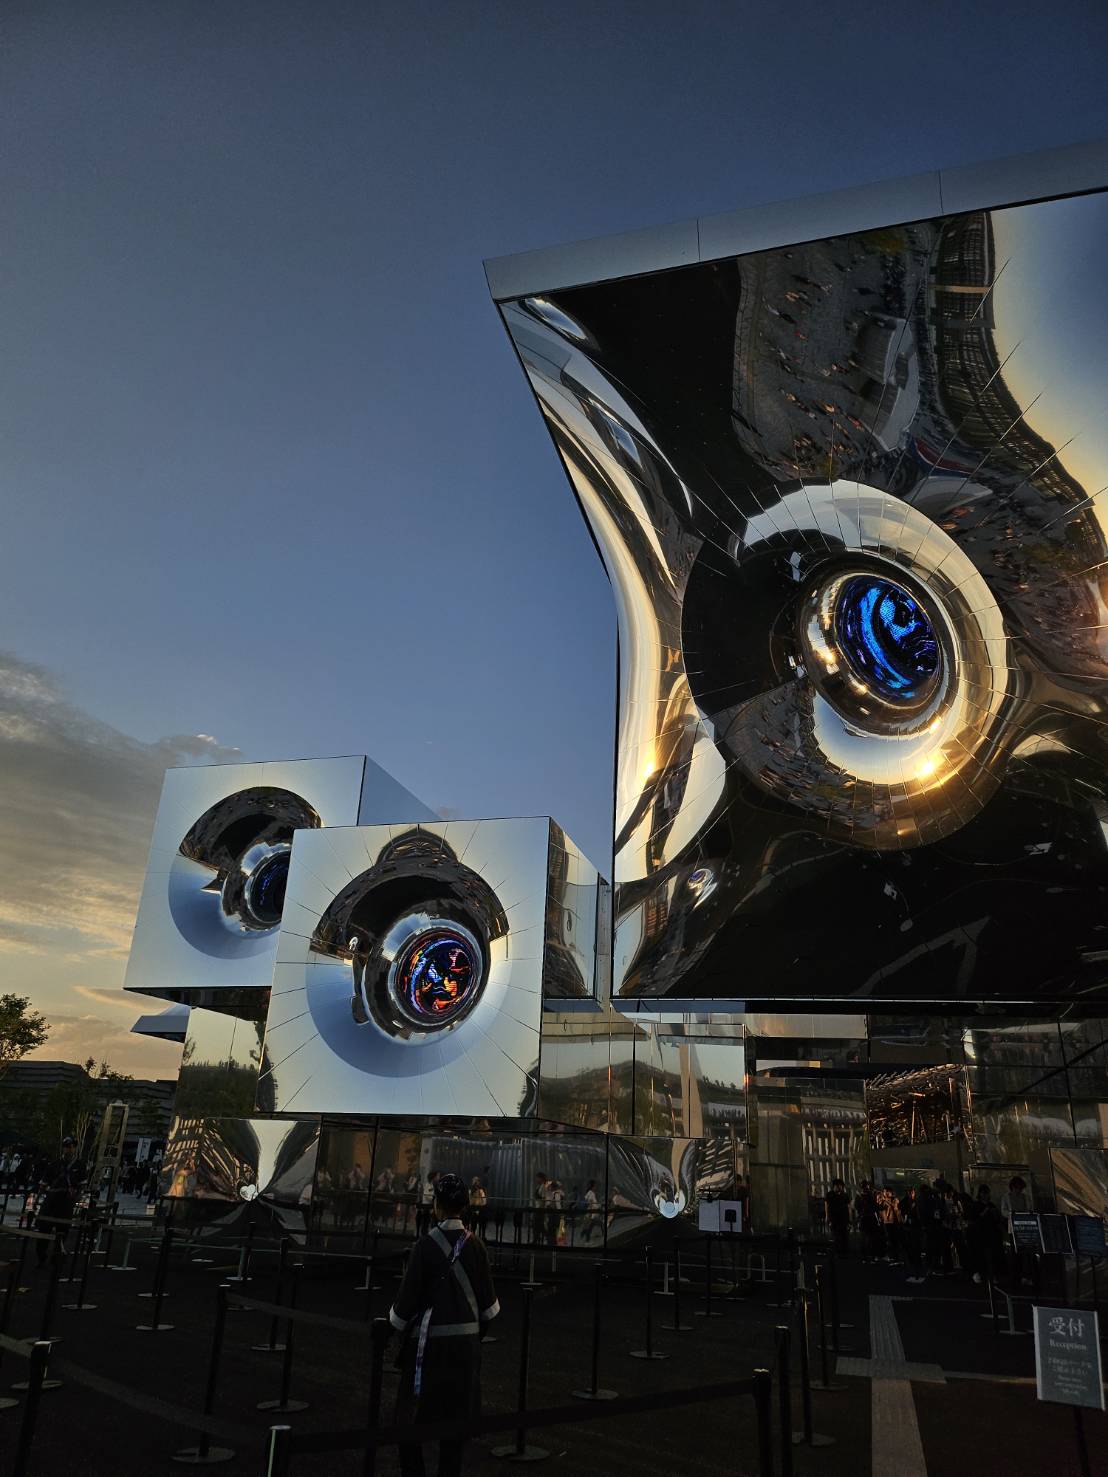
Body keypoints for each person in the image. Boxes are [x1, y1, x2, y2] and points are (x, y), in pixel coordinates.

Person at [389, 1172, 500, 1477]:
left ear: (436, 1205)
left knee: (410, 1425)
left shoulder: (424, 1246)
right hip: (465, 1352)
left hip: (428, 1350)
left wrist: (394, 1327)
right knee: (454, 1435)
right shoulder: (477, 1247)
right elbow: (490, 1311)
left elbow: (402, 1309)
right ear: (464, 1206)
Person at [34, 1136, 85, 1265]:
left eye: (72, 1146)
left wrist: (78, 1196)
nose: (69, 1149)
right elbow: (43, 1184)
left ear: (75, 1148)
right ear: (63, 1148)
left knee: (62, 1231)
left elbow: (82, 1184)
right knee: (44, 1229)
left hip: (66, 1201)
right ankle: (41, 1257)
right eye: (67, 1146)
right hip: (51, 1199)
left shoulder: (80, 1165)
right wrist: (37, 1199)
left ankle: (56, 1257)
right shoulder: (54, 1164)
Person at [824, 1178, 851, 1255]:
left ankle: (844, 1252)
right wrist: (827, 1216)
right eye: (837, 1186)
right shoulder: (830, 1195)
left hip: (843, 1218)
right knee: (836, 1236)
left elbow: (848, 1207)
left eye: (840, 1186)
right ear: (834, 1186)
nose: (839, 1188)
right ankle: (837, 1252)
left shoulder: (845, 1195)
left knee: (844, 1236)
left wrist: (849, 1219)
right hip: (834, 1218)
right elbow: (826, 1206)